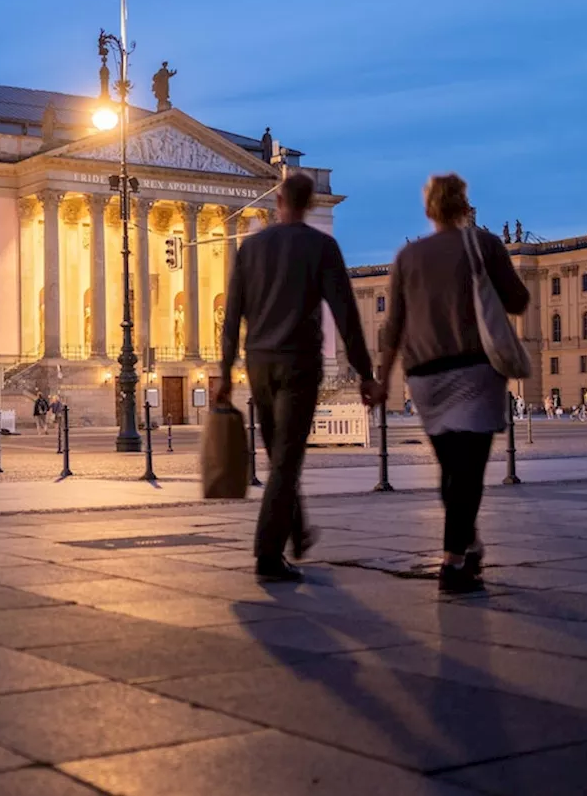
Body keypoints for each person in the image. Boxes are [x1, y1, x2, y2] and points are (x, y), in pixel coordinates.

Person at [217, 172, 378, 582]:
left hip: (258, 363)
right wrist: (365, 372)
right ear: (308, 205)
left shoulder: (250, 248)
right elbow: (346, 314)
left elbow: (231, 313)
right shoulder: (320, 246)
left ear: (278, 202)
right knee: (287, 460)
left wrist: (223, 371)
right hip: (298, 363)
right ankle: (267, 555)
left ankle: (300, 532)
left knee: (280, 456)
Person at [376, 174, 530, 594]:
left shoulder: (409, 257)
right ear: (465, 205)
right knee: (468, 472)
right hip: (475, 371)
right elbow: (519, 301)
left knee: (452, 470)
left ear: (429, 209)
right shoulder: (484, 245)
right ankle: (453, 562)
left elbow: (393, 326)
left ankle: (470, 545)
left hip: (424, 378)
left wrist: (381, 378)